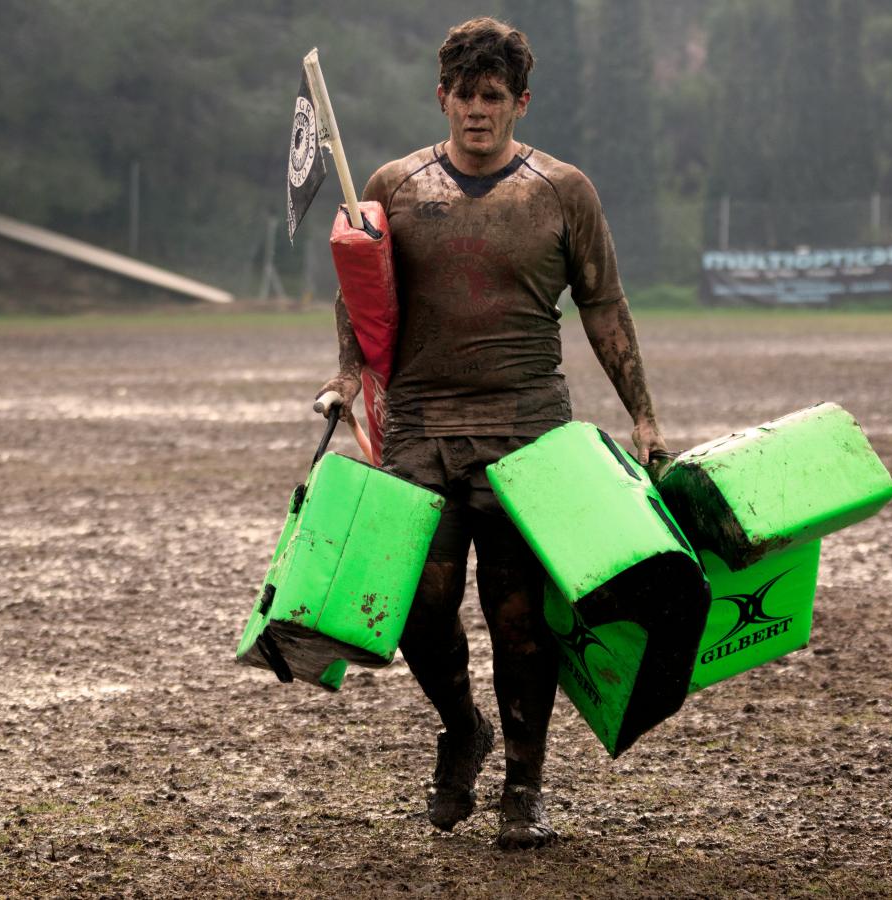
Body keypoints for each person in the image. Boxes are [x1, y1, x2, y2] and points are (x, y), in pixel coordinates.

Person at [318, 17, 668, 849]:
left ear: (520, 102)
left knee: (518, 618)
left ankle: (525, 786)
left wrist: (644, 413)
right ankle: (461, 727)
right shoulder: (395, 185)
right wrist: (346, 373)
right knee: (418, 609)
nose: (478, 112)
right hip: (420, 426)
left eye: (494, 98)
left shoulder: (562, 190)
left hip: (526, 433)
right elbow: (358, 288)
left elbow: (604, 307)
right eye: (465, 97)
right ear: (442, 98)